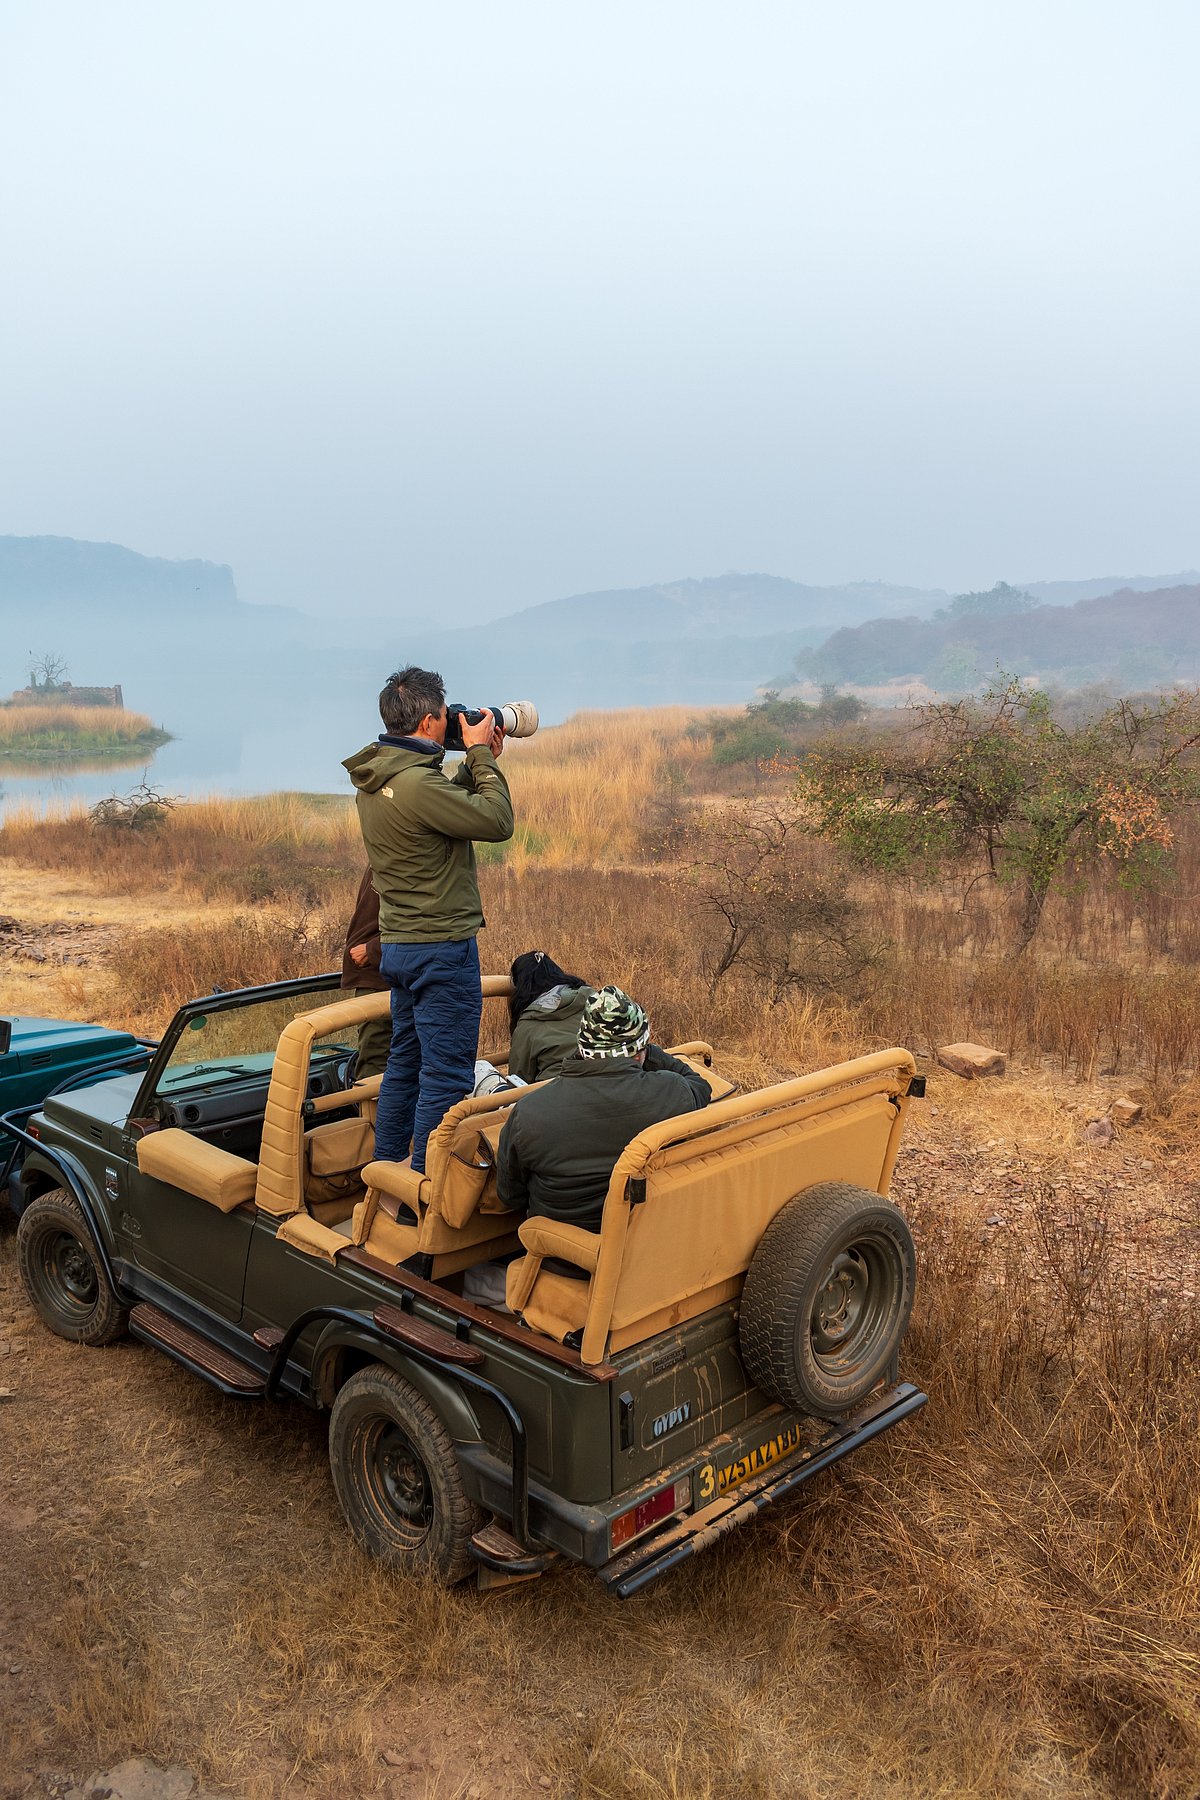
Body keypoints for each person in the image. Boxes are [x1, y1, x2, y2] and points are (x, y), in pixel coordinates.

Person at [343, 666, 514, 1172]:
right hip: (442, 947)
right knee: (446, 1076)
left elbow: (437, 806)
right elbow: (497, 821)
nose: (450, 721)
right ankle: (425, 1189)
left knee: (405, 1066)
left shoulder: (380, 778)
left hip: (402, 948)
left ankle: (389, 1174)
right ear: (426, 722)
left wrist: (472, 764)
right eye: (444, 715)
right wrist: (481, 755)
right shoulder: (416, 783)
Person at [496, 985, 709, 1232]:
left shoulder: (529, 1112)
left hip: (561, 1257)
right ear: (640, 1051)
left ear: (582, 1047)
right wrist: (646, 1050)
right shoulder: (670, 1092)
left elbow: (510, 1196)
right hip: (646, 1247)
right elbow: (700, 1086)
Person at [507, 950, 594, 1083]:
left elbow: (518, 1078)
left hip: (556, 1093)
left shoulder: (528, 1024)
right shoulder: (593, 1000)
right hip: (603, 1084)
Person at [339, 868, 391, 1080]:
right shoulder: (386, 848)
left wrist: (374, 950)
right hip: (378, 972)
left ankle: (373, 1114)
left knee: (375, 1068)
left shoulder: (404, 850)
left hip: (382, 975)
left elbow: (428, 915)